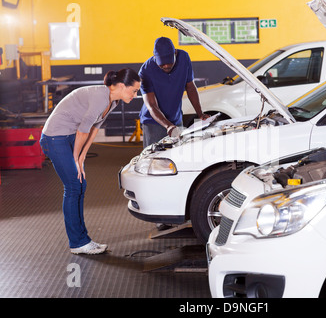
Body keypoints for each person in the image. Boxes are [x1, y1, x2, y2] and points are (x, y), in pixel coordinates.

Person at [39, 68, 141, 254]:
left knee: (80, 185)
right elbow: (83, 130)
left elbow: (94, 129)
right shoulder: (100, 97)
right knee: (73, 186)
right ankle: (77, 243)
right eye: (133, 90)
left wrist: (83, 155)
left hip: (68, 136)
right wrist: (76, 159)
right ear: (120, 85)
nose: (135, 95)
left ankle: (83, 239)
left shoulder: (113, 102)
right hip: (55, 137)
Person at [138, 37, 209, 148]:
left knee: (178, 154)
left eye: (169, 62)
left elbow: (190, 87)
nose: (166, 66)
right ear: (154, 56)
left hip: (176, 119)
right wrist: (168, 126)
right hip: (153, 122)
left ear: (175, 53)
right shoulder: (145, 71)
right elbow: (151, 106)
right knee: (155, 158)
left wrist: (200, 114)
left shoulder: (184, 58)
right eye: (162, 64)